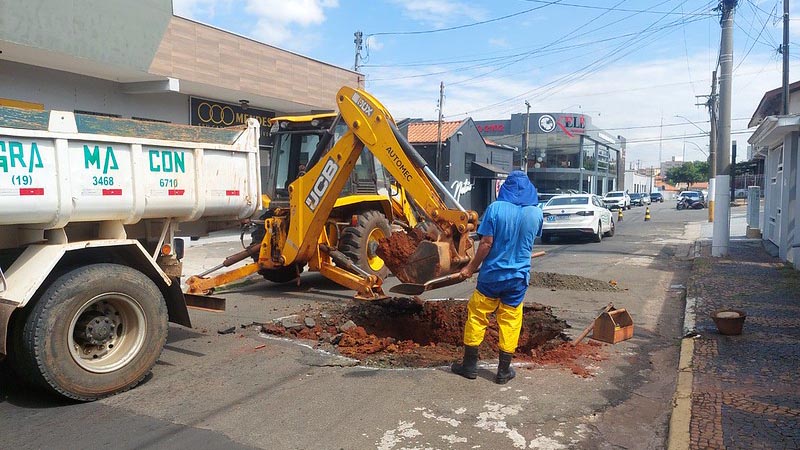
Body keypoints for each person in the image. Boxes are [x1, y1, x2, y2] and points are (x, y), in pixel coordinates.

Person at [451, 170, 543, 384]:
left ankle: (470, 366)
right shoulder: (536, 213)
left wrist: (470, 267)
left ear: (506, 188)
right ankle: (503, 371)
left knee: (477, 315)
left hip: (492, 275)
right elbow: (530, 239)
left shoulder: (495, 209)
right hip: (518, 278)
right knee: (510, 320)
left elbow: (486, 243)